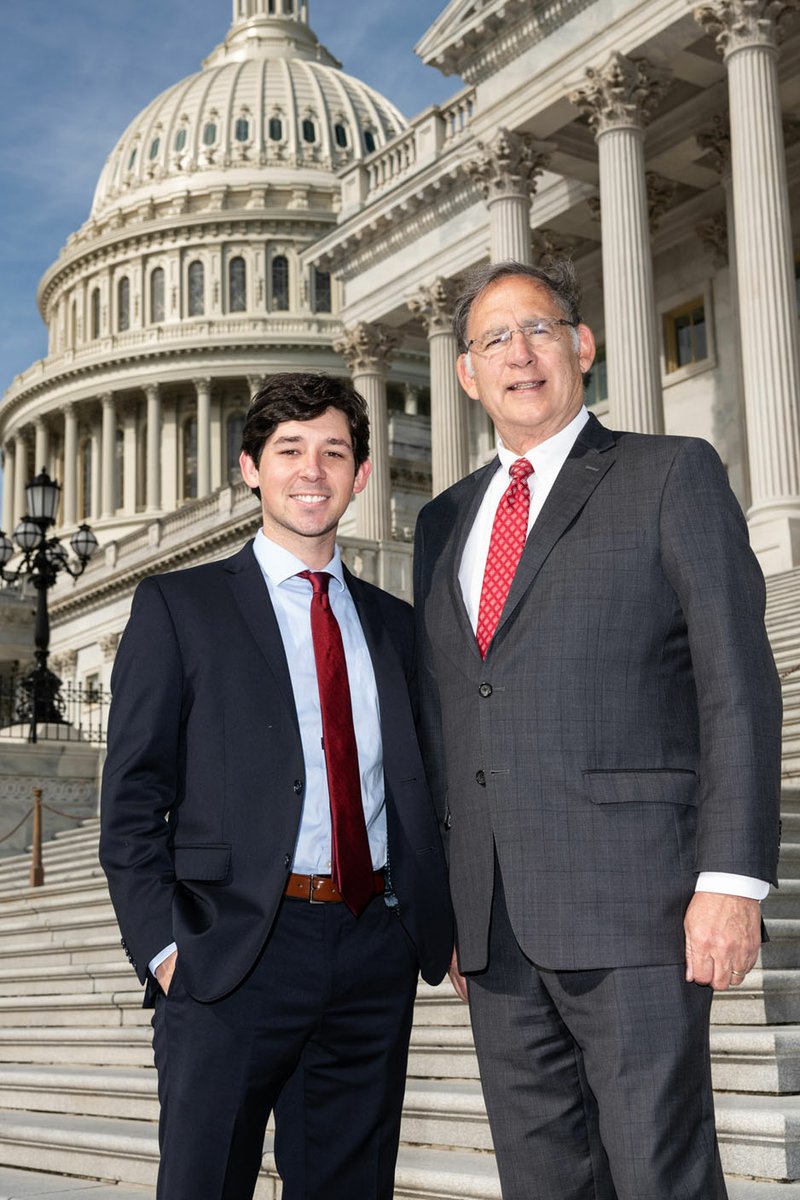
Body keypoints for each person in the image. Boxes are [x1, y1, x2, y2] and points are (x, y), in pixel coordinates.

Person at [412, 259, 782, 1200]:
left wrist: (731, 881)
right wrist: (444, 901)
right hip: (492, 926)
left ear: (583, 345)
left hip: (638, 907)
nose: (519, 355)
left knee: (659, 1171)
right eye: (494, 340)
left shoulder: (670, 474)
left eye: (538, 329)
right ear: (466, 375)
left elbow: (737, 685)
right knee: (541, 1181)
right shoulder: (442, 520)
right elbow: (449, 713)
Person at [99, 371, 452, 1200]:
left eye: (334, 452)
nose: (312, 471)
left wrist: (431, 922)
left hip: (372, 944)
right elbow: (132, 799)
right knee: (203, 1183)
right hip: (231, 949)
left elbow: (421, 785)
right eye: (289, 450)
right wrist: (164, 947)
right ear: (251, 467)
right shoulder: (180, 607)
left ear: (361, 476)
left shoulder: (395, 624)